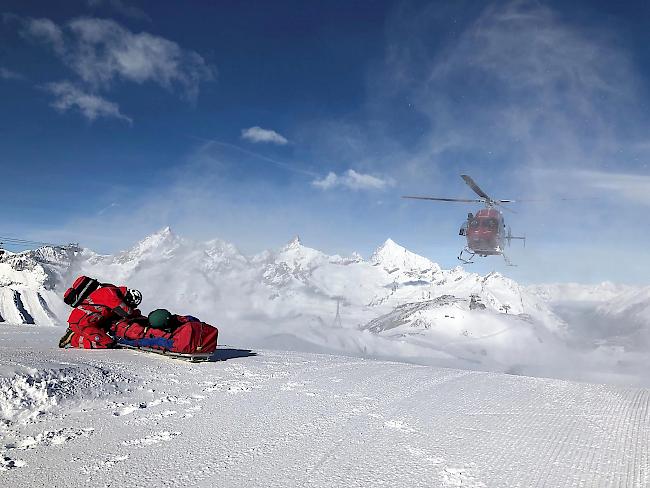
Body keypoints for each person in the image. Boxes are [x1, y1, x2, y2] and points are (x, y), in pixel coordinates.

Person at [59, 284, 143, 349]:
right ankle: (73, 338)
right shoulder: (112, 294)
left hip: (93, 322)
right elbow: (125, 312)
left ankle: (78, 334)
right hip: (81, 323)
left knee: (110, 334)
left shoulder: (113, 292)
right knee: (107, 343)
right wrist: (137, 315)